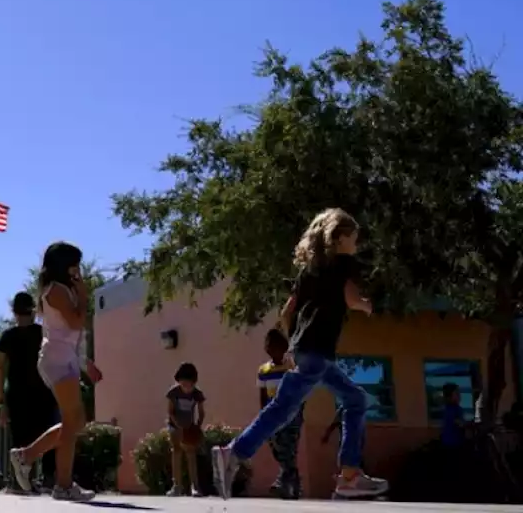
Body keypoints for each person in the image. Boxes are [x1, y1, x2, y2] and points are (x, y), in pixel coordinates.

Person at [213, 208, 388, 500]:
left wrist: (295, 343)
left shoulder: (309, 269)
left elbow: (286, 311)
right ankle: (234, 452)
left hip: (309, 351)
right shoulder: (343, 263)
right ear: (340, 238)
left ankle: (348, 475)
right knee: (284, 409)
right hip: (318, 351)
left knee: (351, 399)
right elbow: (350, 298)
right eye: (354, 239)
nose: (356, 245)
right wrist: (366, 305)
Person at [7, 242, 102, 502]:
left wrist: (85, 361)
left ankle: (25, 455)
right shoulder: (56, 291)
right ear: (63, 264)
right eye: (74, 264)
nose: (78, 269)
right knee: (73, 421)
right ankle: (62, 484)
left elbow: (75, 331)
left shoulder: (63, 289)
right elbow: (76, 321)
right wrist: (82, 293)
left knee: (76, 422)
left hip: (66, 356)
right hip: (57, 358)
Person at [0, 292, 57, 492]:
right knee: (47, 433)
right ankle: (47, 478)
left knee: (20, 436)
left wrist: (1, 401)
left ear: (14, 312)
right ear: (33, 310)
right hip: (42, 391)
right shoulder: (42, 333)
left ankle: (20, 482)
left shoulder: (8, 336)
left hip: (17, 393)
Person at [258, 329, 302, 499]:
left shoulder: (291, 368)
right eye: (270, 347)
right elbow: (262, 395)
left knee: (288, 447)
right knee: (277, 448)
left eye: (277, 347)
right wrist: (263, 415)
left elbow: (300, 390)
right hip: (272, 414)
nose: (273, 351)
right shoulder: (263, 370)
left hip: (291, 413)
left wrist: (299, 410)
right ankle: (293, 479)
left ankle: (283, 481)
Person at [165, 362, 206, 497]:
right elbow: (170, 412)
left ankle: (194, 486)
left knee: (190, 453)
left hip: (189, 426)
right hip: (175, 425)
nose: (187, 388)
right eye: (184, 384)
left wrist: (197, 426)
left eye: (189, 385)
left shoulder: (197, 394)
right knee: (176, 452)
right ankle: (176, 486)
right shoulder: (173, 392)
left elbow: (201, 412)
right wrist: (178, 427)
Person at [439, 383, 465, 448]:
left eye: (459, 393)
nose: (459, 395)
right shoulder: (452, 410)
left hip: (450, 442)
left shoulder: (451, 408)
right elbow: (460, 424)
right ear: (449, 397)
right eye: (456, 394)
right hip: (453, 444)